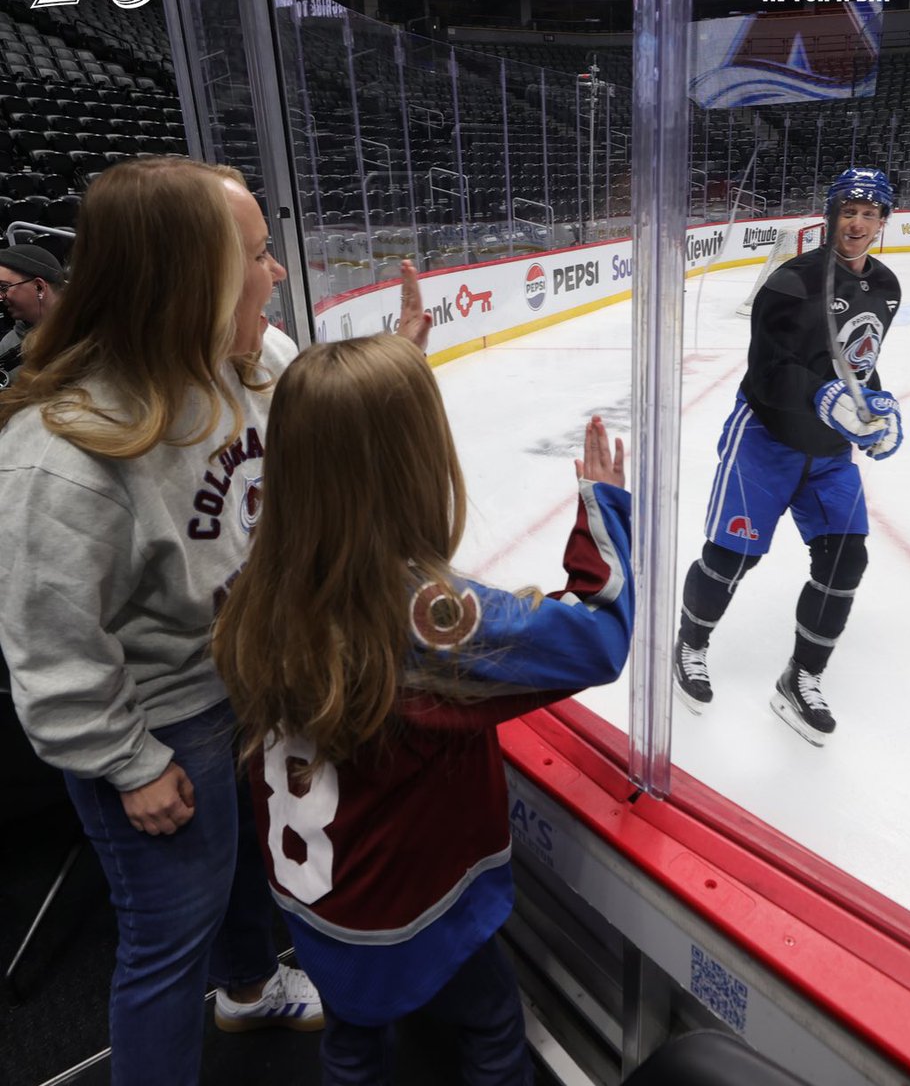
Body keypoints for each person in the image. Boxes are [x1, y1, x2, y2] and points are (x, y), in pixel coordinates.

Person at [0, 156, 430, 1086]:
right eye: (258, 256)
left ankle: (248, 988)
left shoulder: (255, 358)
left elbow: (327, 430)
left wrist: (397, 365)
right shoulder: (62, 453)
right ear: (189, 282)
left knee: (244, 874)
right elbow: (51, 649)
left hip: (250, 682)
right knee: (167, 938)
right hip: (160, 722)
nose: (276, 273)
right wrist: (129, 763)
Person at [212, 336, 633, 1086]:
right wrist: (603, 510)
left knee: (353, 1045)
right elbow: (598, 638)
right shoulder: (423, 617)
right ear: (415, 464)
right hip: (411, 913)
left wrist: (369, 389)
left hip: (317, 908)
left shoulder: (260, 582)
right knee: (492, 1027)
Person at [673, 168, 902, 745]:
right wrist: (825, 397)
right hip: (765, 437)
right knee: (731, 558)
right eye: (849, 211)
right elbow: (767, 371)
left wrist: (876, 409)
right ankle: (690, 644)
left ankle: (801, 678)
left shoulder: (886, 287)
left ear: (883, 220)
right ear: (831, 214)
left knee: (845, 562)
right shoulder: (793, 280)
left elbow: (858, 362)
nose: (858, 224)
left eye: (869, 213)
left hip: (829, 453)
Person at [0, 245, 65, 389]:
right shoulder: (8, 345)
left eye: (3, 287)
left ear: (39, 287)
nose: (0, 297)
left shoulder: (94, 333)